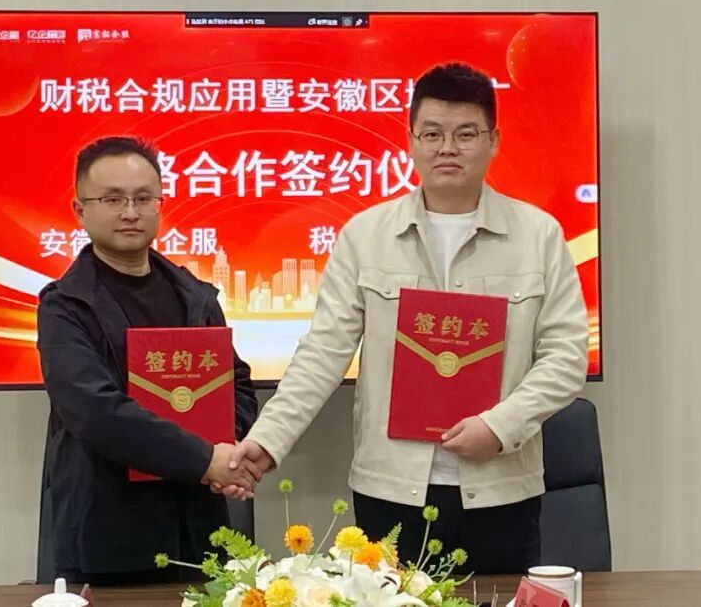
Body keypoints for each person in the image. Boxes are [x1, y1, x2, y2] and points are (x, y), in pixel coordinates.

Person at [225, 64, 589, 574]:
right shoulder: (366, 235)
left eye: (466, 134)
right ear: (411, 140)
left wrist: (499, 425)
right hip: (391, 487)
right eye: (432, 134)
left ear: (494, 140)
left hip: (500, 487)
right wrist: (268, 440)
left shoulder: (539, 235)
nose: (448, 148)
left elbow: (566, 357)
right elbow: (323, 352)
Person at [36, 136, 260, 585]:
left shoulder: (193, 295)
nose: (130, 212)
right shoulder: (65, 305)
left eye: (143, 198)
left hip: (199, 527)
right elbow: (96, 413)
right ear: (80, 209)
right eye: (112, 199)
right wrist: (206, 460)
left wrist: (229, 454)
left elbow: (235, 383)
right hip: (108, 538)